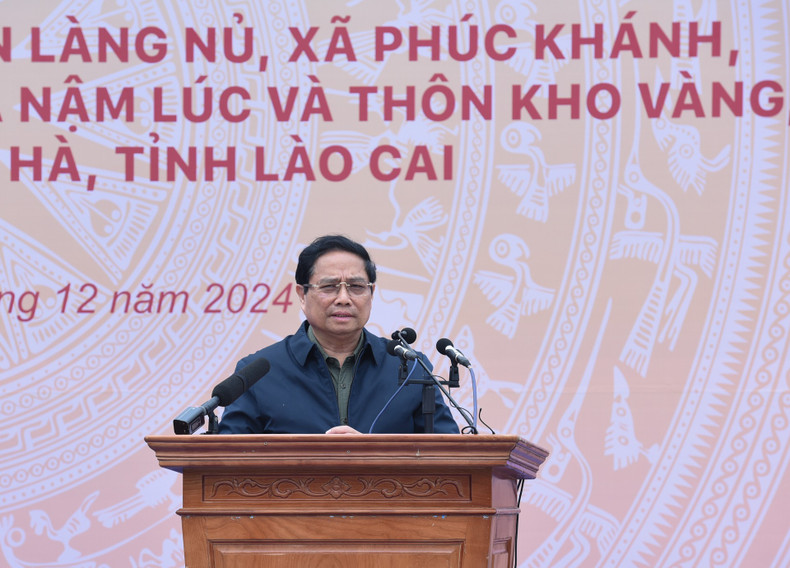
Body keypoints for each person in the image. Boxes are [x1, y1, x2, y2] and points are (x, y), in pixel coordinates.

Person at [218, 234, 460, 435]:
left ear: (372, 294)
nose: (344, 299)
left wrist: (371, 454)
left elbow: (451, 460)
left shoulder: (412, 369)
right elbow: (226, 464)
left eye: (356, 287)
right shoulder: (260, 374)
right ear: (302, 295)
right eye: (329, 287)